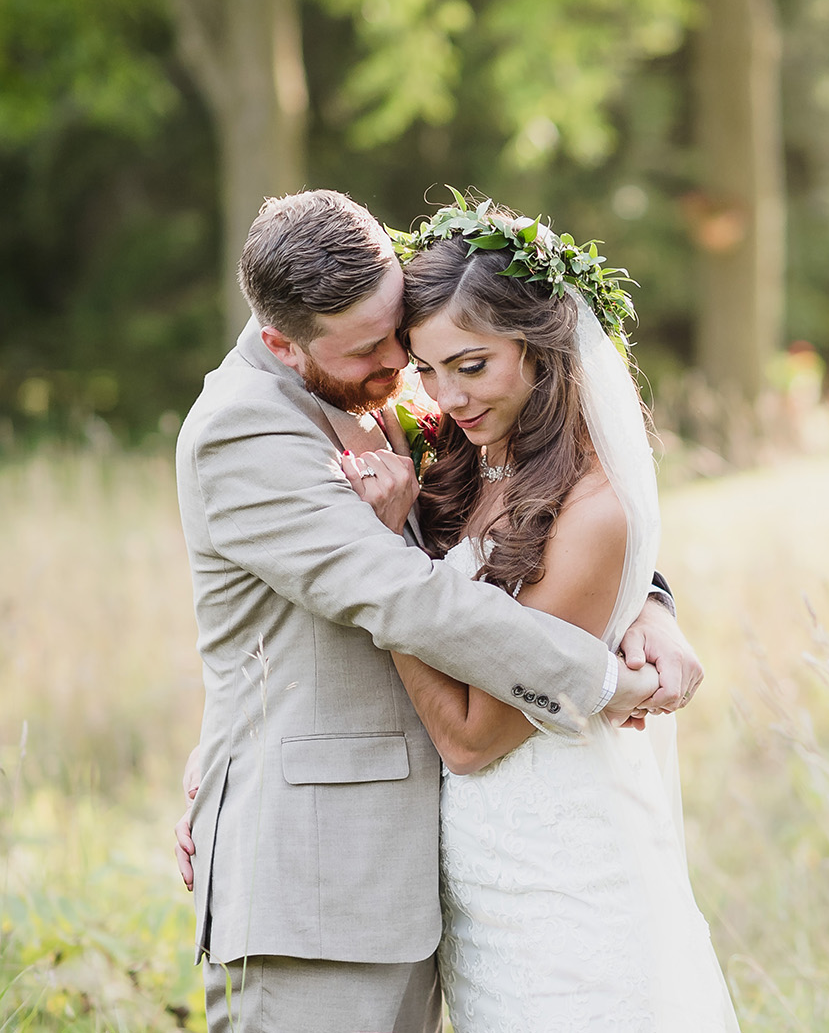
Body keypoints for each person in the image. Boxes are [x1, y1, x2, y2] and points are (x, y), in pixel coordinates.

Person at [174, 188, 702, 1033]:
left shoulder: (391, 374)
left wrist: (642, 602)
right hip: (318, 877)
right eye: (373, 352)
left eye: (403, 337)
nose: (404, 369)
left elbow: (531, 521)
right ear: (282, 342)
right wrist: (598, 676)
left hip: (430, 868)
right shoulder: (246, 432)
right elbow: (404, 592)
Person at [342, 198, 740, 1032]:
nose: (447, 395)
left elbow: (471, 738)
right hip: (480, 878)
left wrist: (385, 566)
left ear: (540, 343)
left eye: (472, 364)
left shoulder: (592, 507)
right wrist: (651, 605)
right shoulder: (470, 452)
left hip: (564, 878)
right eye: (428, 368)